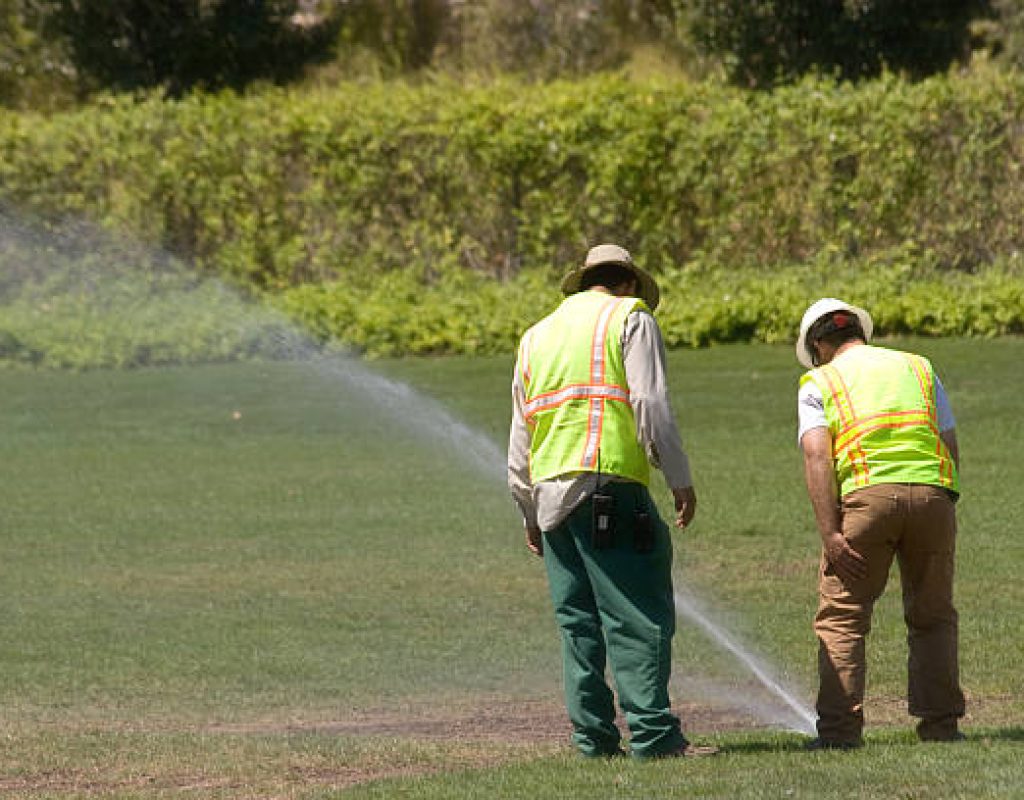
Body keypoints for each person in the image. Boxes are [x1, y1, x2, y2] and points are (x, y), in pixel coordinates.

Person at [507, 243, 717, 760]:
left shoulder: (536, 336)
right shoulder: (630, 317)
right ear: (627, 283)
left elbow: (520, 433)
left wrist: (528, 509)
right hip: (610, 487)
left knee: (578, 624)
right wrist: (678, 475)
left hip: (552, 493)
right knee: (637, 614)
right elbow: (649, 400)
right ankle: (653, 736)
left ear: (583, 280)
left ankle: (594, 740)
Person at [795, 297, 965, 749]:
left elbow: (817, 455)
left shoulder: (819, 380)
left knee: (843, 619)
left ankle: (838, 733)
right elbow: (948, 439)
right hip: (933, 494)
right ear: (860, 332)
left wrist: (831, 533)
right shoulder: (919, 367)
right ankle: (942, 727)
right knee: (933, 616)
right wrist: (944, 498)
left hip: (866, 500)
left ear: (818, 346)